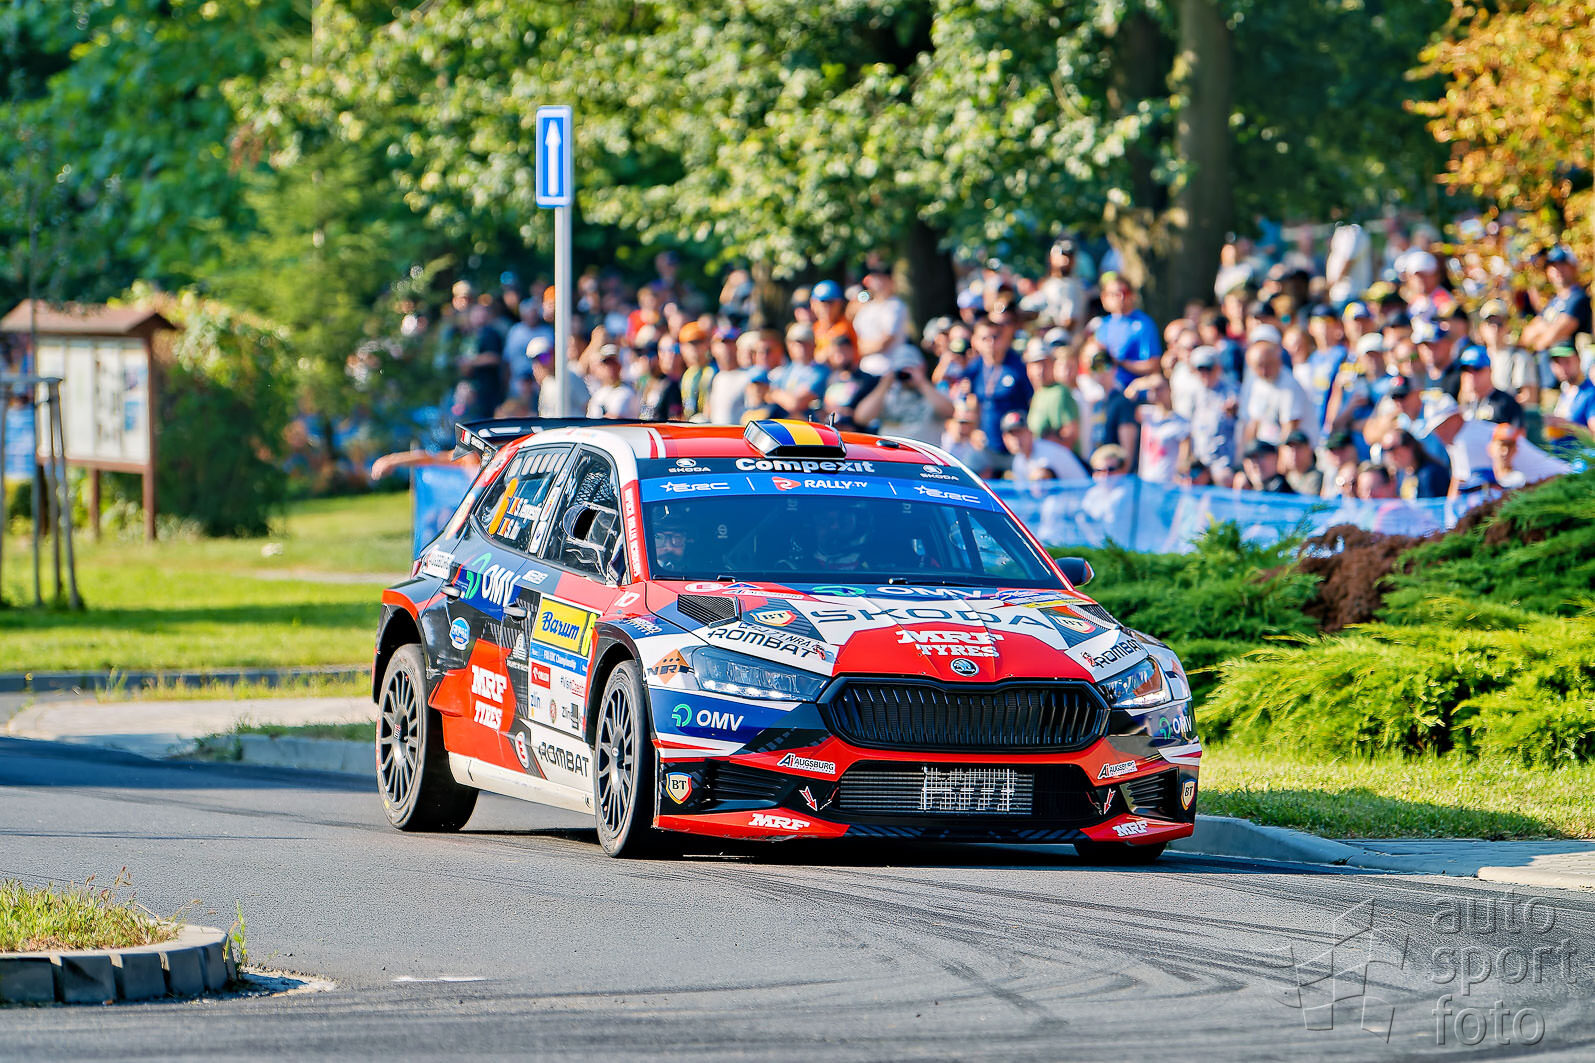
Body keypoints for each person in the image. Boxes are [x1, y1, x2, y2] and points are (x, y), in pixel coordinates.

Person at [1420, 395, 1569, 497]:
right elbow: (1458, 484)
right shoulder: (1460, 439)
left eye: (1443, 425)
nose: (1439, 433)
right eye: (1436, 429)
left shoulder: (1467, 440)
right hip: (1542, 486)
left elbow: (1466, 489)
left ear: (1456, 417)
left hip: (1558, 481)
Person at [963, 316, 1033, 468]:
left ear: (1004, 339)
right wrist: (974, 431)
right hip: (987, 446)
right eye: (985, 338)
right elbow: (972, 402)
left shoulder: (1018, 366)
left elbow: (1033, 402)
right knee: (966, 468)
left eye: (995, 337)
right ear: (975, 341)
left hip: (1017, 447)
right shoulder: (974, 368)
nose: (991, 343)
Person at [853, 346, 953, 443]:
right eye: (901, 370)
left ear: (922, 367)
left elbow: (950, 412)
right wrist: (884, 384)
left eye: (910, 369)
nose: (905, 374)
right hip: (892, 452)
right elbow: (861, 418)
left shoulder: (933, 393)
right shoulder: (887, 396)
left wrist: (922, 382)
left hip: (922, 453)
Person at [1240, 335, 1316, 448]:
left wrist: (1279, 456)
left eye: (1268, 364)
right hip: (1268, 449)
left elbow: (1290, 428)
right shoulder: (1259, 383)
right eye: (1259, 366)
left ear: (1278, 361)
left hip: (1297, 449)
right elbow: (1254, 422)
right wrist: (1247, 452)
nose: (1264, 371)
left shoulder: (1289, 385)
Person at [1094, 273, 1162, 386]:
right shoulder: (1103, 325)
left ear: (1132, 295)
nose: (1120, 297)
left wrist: (1121, 363)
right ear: (1104, 298)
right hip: (1108, 387)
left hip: (1135, 388)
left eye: (1124, 292)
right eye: (1113, 294)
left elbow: (1153, 366)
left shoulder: (1143, 324)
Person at [1521, 247, 1591, 356]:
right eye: (1553, 266)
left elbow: (1551, 337)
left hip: (1568, 365)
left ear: (1574, 267)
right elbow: (1526, 336)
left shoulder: (1579, 299)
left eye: (1563, 264)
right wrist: (1548, 328)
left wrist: (1543, 329)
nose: (1558, 270)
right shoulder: (1554, 302)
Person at [1185, 346, 1239, 483]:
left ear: (1218, 368)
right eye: (1200, 369)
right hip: (1200, 459)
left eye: (1208, 369)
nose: (1204, 374)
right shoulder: (1193, 393)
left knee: (1225, 478)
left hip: (1223, 461)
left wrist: (1233, 411)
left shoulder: (1231, 391)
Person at [1127, 375, 1189, 485]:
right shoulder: (1147, 414)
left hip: (1168, 483)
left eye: (1160, 388)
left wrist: (1180, 475)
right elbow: (1127, 399)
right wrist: (1143, 383)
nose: (1156, 392)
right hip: (1146, 481)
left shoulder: (1181, 422)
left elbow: (1184, 458)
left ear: (1170, 389)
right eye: (1152, 389)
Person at [1023, 336, 1080, 448]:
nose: (1040, 370)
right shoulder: (1039, 393)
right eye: (1036, 364)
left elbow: (1070, 435)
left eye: (1045, 363)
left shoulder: (1060, 392)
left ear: (1053, 364)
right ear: (1028, 368)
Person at [1001, 411, 1088, 482]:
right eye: (1012, 434)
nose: (1016, 439)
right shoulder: (1018, 461)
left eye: (1020, 433)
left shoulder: (1047, 454)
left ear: (1030, 433)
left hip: (1080, 495)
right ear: (1005, 439)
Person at [852, 264, 909, 372]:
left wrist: (857, 350)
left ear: (890, 280)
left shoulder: (895, 306)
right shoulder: (866, 307)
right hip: (864, 368)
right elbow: (854, 336)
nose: (878, 282)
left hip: (888, 369)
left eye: (881, 278)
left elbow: (885, 342)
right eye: (875, 277)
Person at [1458, 344, 1523, 428]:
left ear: (1490, 371)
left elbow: (1517, 433)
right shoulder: (1462, 404)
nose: (1471, 375)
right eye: (1466, 370)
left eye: (1477, 369)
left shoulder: (1507, 403)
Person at [770, 323, 827, 415]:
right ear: (788, 345)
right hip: (784, 421)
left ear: (814, 345)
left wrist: (775, 394)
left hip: (808, 422)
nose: (801, 347)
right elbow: (767, 395)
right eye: (796, 343)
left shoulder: (821, 371)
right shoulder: (786, 369)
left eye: (806, 343)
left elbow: (796, 404)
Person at [1381, 428, 1450, 500]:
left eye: (1392, 449)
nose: (1390, 455)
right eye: (1385, 450)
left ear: (1409, 446)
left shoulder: (1432, 473)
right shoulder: (1401, 474)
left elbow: (1434, 505)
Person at [1546, 344, 1595, 445]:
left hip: (1579, 454)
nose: (1562, 367)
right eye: (1557, 362)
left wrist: (1566, 425)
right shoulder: (1566, 391)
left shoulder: (1590, 393)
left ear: (1578, 360)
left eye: (1567, 361)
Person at [810, 280, 858, 360]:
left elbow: (822, 358)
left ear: (840, 303)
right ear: (813, 303)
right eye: (823, 302)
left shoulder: (845, 326)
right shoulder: (814, 327)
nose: (827, 307)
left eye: (831, 302)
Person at [677, 321, 715, 421]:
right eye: (690, 343)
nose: (694, 348)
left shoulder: (714, 371)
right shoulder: (687, 374)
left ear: (707, 344)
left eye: (698, 342)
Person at [587, 348, 640, 419]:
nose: (610, 368)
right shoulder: (598, 393)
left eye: (614, 363)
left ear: (620, 366)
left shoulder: (625, 392)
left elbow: (613, 420)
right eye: (606, 363)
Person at [1279, 430, 1322, 496]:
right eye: (1291, 448)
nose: (1294, 453)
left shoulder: (1317, 476)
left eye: (1298, 448)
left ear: (1309, 450)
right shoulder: (1287, 476)